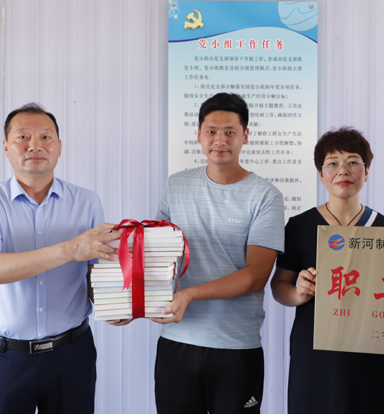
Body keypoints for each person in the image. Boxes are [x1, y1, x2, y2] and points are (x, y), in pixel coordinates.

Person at [0, 103, 119, 414]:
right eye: (23, 137)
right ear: (6, 147)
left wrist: (117, 305)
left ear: (59, 147)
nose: (35, 146)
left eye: (46, 137)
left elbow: (94, 274)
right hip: (3, 358)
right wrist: (69, 250)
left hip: (71, 355)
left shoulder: (87, 202)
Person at [148, 92, 284, 413]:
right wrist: (131, 302)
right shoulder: (177, 185)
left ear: (245, 136)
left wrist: (189, 294)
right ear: (198, 134)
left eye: (229, 132)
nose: (219, 140)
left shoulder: (266, 196)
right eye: (211, 131)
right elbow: (156, 255)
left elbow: (255, 277)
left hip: (235, 346)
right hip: (177, 340)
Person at [271, 127, 384, 414]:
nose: (342, 170)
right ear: (321, 175)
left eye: (353, 162)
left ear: (366, 172)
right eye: (332, 163)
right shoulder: (299, 226)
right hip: (314, 348)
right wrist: (299, 293)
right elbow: (279, 285)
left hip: (369, 348)